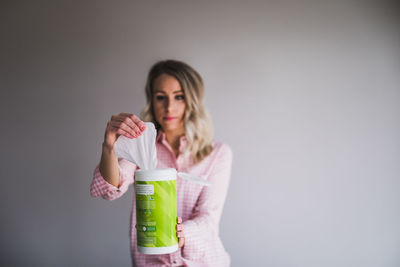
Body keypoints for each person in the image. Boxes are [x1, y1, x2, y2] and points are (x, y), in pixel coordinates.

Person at [90, 59, 232, 266]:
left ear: (192, 101)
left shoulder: (217, 153)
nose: (169, 107)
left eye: (179, 97)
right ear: (151, 100)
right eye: (160, 97)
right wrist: (109, 146)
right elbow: (108, 190)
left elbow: (208, 218)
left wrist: (179, 235)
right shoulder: (144, 148)